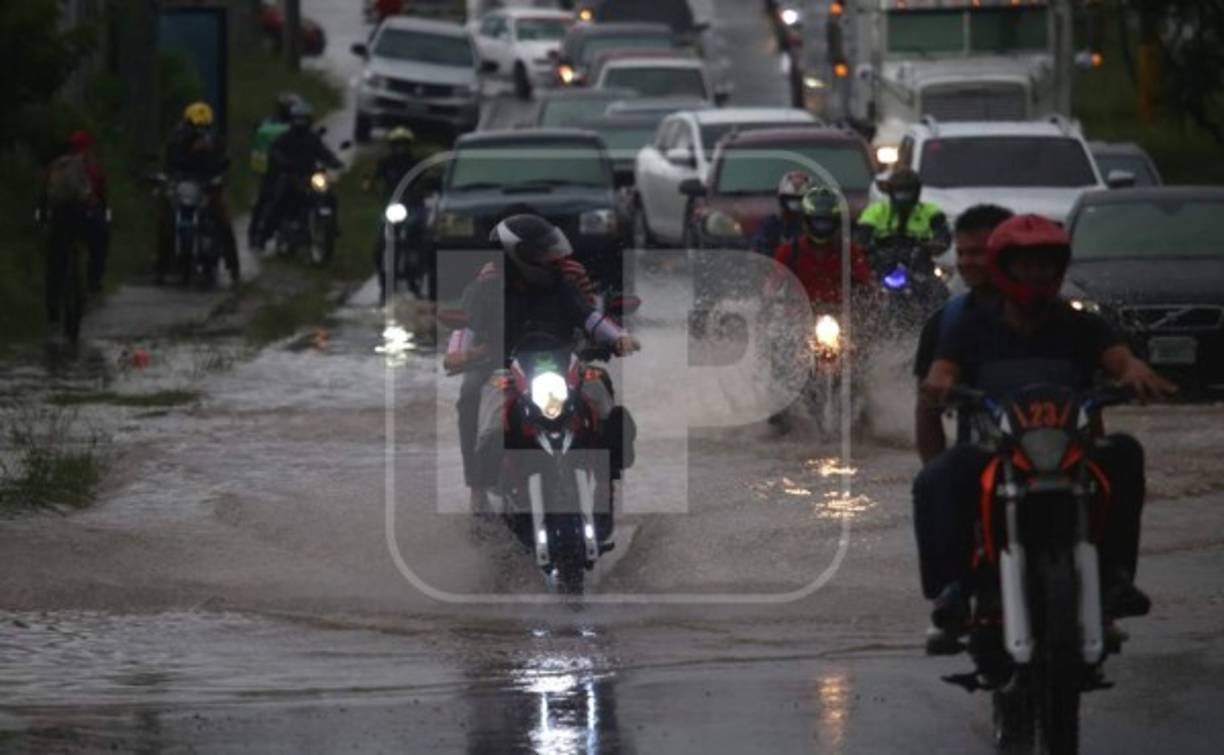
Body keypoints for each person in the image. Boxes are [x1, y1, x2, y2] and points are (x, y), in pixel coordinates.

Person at [914, 214, 1176, 648]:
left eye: (1045, 264)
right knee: (938, 477)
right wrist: (939, 384)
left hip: (1068, 452)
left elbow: (1120, 359)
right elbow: (942, 370)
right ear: (1006, 266)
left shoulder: (1082, 324)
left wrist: (1135, 373)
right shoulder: (967, 325)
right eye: (1025, 265)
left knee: (1125, 452)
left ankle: (1115, 577)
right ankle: (954, 589)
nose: (1036, 274)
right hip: (997, 453)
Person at [444, 215, 639, 511]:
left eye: (551, 249)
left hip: (559, 362)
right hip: (502, 366)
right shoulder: (485, 288)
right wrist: (459, 353)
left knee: (601, 388)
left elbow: (590, 316)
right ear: (517, 254)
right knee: (472, 394)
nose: (552, 256)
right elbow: (466, 330)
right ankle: (478, 488)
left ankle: (606, 482)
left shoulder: (562, 281)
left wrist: (619, 336)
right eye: (542, 250)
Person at [912, 204, 1013, 464]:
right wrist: (936, 473)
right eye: (962, 253)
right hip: (980, 460)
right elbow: (927, 409)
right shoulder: (946, 322)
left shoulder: (1054, 313)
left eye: (978, 253)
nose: (967, 262)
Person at [159, 101, 241, 286]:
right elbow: (169, 163)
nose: (199, 131)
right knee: (165, 218)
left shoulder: (215, 140)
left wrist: (219, 177)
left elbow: (223, 162)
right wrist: (168, 178)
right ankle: (162, 266)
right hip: (183, 185)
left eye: (204, 127)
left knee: (223, 217)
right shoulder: (176, 139)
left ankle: (233, 267)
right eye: (195, 126)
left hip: (207, 186)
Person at [765, 186, 874, 306]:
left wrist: (866, 298)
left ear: (836, 222)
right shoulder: (788, 252)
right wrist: (774, 300)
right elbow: (771, 288)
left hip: (841, 315)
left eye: (827, 222)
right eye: (818, 221)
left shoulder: (849, 252)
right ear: (806, 221)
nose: (822, 227)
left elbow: (866, 283)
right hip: (799, 316)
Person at [256, 101, 344, 250]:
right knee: (279, 201)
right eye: (299, 118)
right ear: (293, 119)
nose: (301, 122)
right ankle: (263, 236)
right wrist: (283, 162)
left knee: (330, 196)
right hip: (291, 175)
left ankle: (331, 227)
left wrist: (335, 162)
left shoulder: (312, 138)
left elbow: (323, 152)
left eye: (304, 119)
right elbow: (275, 150)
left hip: (310, 176)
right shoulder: (286, 137)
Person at [369, 127, 427, 303]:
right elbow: (374, 179)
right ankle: (383, 281)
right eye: (397, 144)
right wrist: (369, 184)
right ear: (391, 146)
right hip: (393, 207)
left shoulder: (418, 163)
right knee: (379, 244)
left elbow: (429, 178)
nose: (400, 148)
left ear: (410, 146)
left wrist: (428, 184)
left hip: (414, 208)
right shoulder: (385, 163)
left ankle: (417, 276)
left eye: (404, 144)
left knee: (424, 238)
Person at [855, 167, 950, 264]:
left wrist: (930, 248)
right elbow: (861, 238)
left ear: (917, 192)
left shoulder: (931, 211)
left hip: (919, 266)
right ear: (891, 192)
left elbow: (943, 238)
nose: (904, 198)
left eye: (908, 193)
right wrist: (871, 251)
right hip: (882, 264)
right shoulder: (876, 210)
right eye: (900, 193)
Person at [249, 92, 302, 248]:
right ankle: (254, 233)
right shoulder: (269, 123)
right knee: (265, 197)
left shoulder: (299, 125)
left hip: (293, 168)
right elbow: (259, 136)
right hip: (271, 168)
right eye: (289, 108)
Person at [750, 170, 811, 258]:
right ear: (781, 200)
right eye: (789, 199)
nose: (794, 206)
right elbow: (758, 253)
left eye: (799, 200)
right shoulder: (771, 225)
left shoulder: (815, 226)